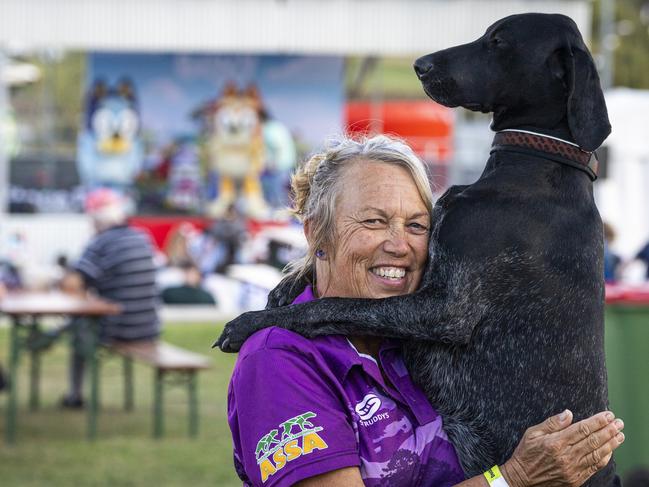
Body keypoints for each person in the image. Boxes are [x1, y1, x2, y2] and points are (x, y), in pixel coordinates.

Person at [226, 135, 624, 486]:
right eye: (374, 221)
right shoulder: (279, 359)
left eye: (416, 226)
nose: (399, 245)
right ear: (317, 233)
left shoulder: (421, 339)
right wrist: (512, 480)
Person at [59, 188, 160, 408]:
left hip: (118, 327)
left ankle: (75, 396)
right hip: (148, 326)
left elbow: (72, 284)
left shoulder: (101, 242)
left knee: (78, 330)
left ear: (95, 219)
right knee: (78, 324)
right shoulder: (141, 236)